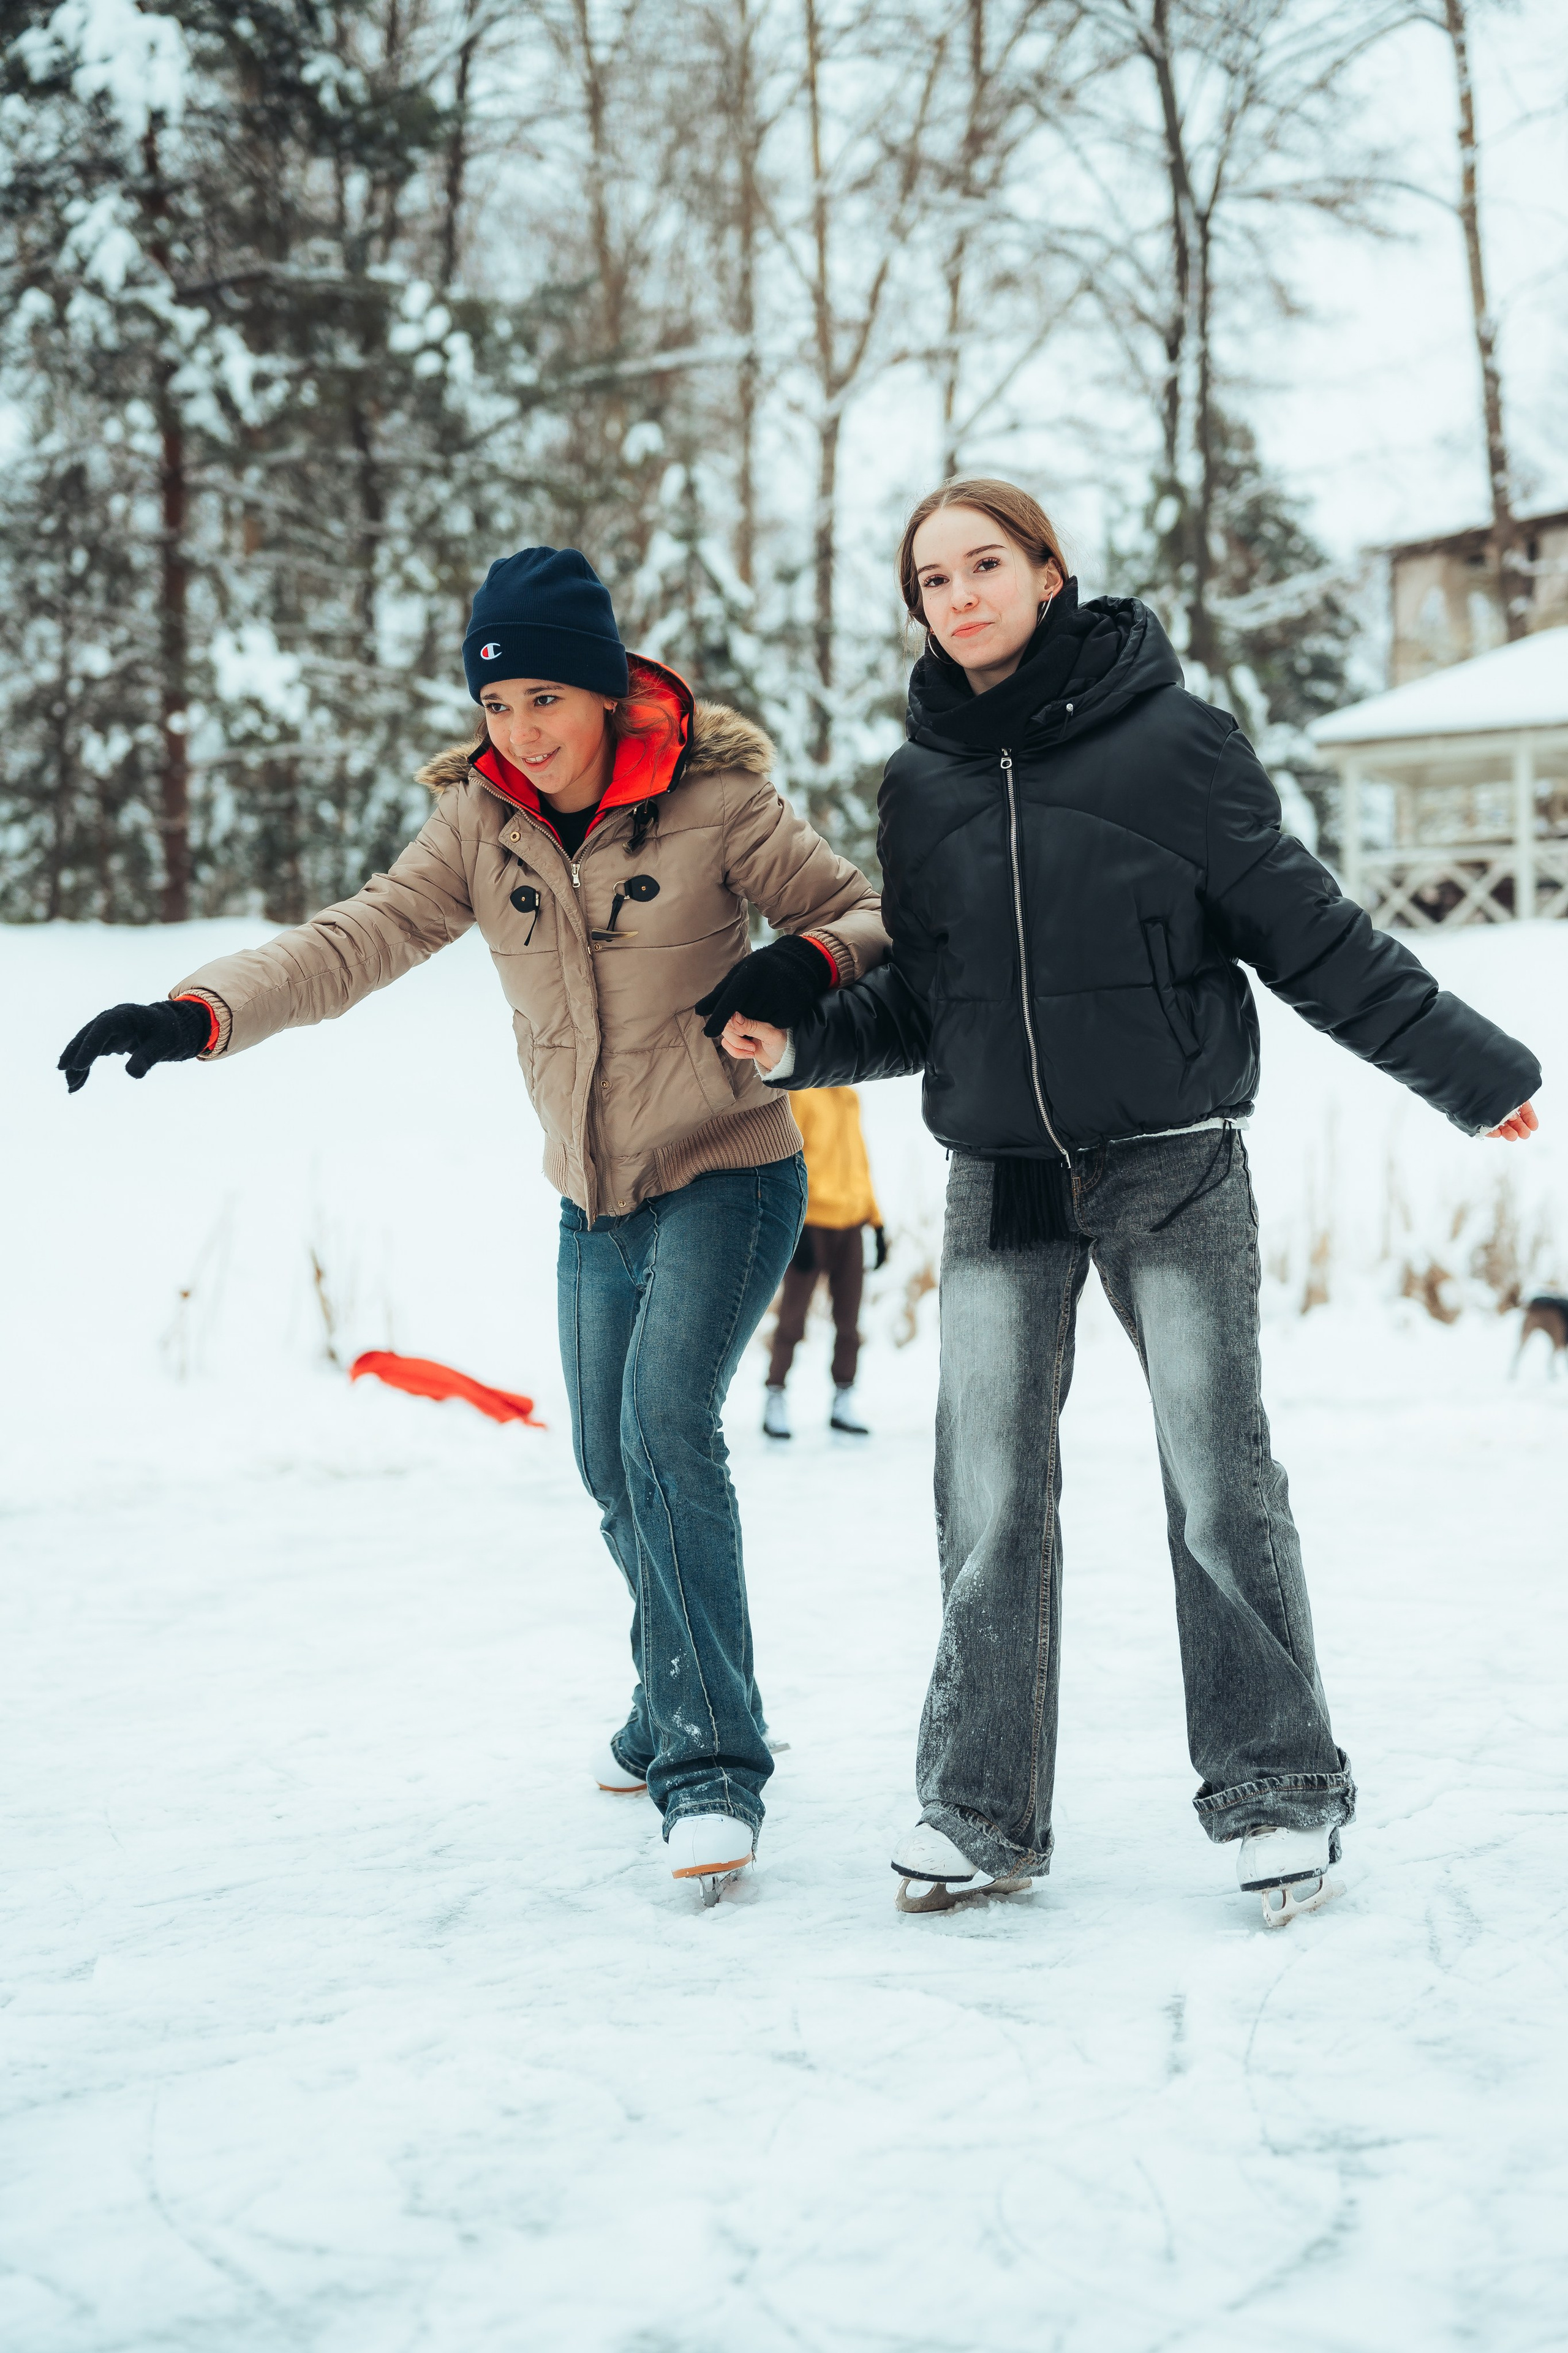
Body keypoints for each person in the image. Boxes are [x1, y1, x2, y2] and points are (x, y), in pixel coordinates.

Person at [720, 477, 1542, 1925]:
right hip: (1004, 1170)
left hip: (1169, 1154)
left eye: (986, 564)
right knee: (982, 1492)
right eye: (931, 580)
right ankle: (977, 1813)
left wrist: (1465, 1069)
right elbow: (931, 996)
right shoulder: (921, 782)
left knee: (1216, 1478)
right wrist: (802, 1044)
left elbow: (1306, 928)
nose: (959, 594)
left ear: (1048, 572)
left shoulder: (1172, 743)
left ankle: (1275, 1794)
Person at [58, 545, 888, 1900]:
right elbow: (354, 938)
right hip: (591, 1200)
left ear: (609, 691)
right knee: (610, 1477)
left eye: (545, 702)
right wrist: (195, 1011)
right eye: (497, 708)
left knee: (664, 1432)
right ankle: (665, 1692)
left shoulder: (717, 800)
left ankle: (711, 1767)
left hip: (729, 1169)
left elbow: (865, 910)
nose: (520, 733)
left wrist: (802, 961)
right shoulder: (478, 825)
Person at [763, 1086, 886, 1440]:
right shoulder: (800, 1094)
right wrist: (795, 1223)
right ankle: (775, 1397)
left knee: (849, 1322)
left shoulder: (849, 1096)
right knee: (792, 1319)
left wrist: (877, 1221)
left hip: (852, 1223)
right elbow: (789, 1160)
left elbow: (860, 1162)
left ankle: (843, 1402)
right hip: (812, 1223)